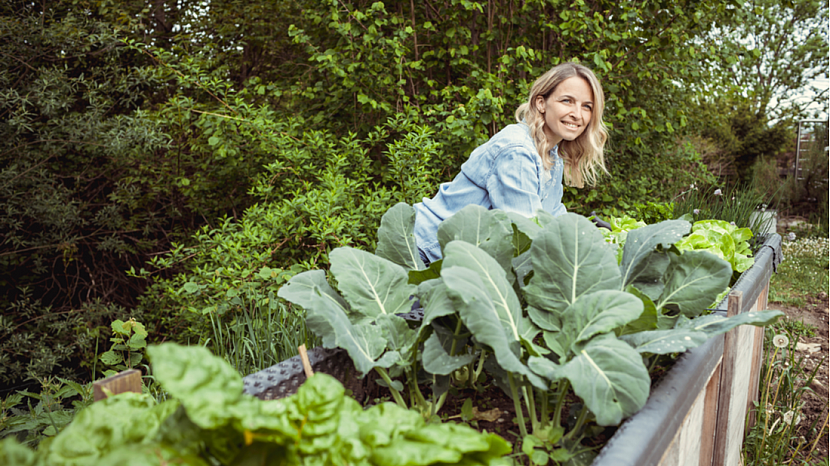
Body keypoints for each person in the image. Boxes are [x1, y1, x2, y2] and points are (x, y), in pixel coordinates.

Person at [414, 62, 609, 266]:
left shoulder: (551, 152)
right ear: (541, 103)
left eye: (587, 106)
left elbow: (550, 217)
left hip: (458, 258)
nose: (577, 114)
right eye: (567, 101)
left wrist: (590, 233)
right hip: (425, 253)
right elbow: (526, 231)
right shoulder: (518, 151)